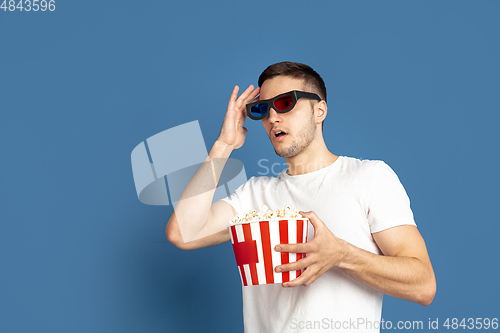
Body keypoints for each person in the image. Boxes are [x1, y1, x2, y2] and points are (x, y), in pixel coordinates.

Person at [166, 61, 436, 332]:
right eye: (262, 109)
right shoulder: (254, 195)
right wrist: (224, 145)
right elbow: (183, 233)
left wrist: (342, 254)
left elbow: (423, 286)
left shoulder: (369, 177)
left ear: (319, 110)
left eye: (285, 103)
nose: (272, 118)